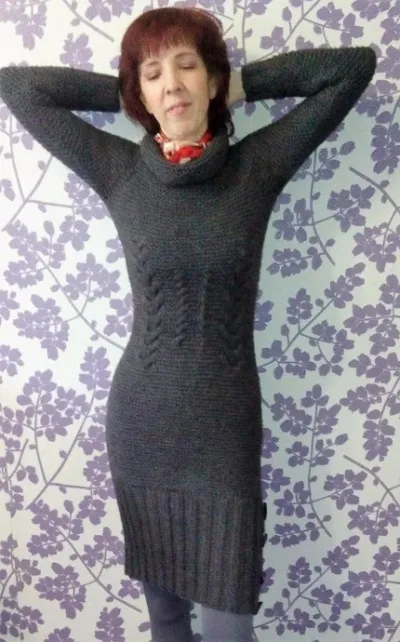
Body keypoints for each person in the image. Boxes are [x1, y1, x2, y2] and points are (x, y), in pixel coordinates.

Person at [0, 6, 377, 642]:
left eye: (187, 67)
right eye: (153, 74)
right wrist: (129, 92)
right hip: (142, 426)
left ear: (213, 77)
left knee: (230, 626)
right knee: (167, 619)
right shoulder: (120, 169)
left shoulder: (255, 167)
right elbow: (17, 85)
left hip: (225, 434)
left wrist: (238, 84)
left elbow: (351, 69)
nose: (172, 84)